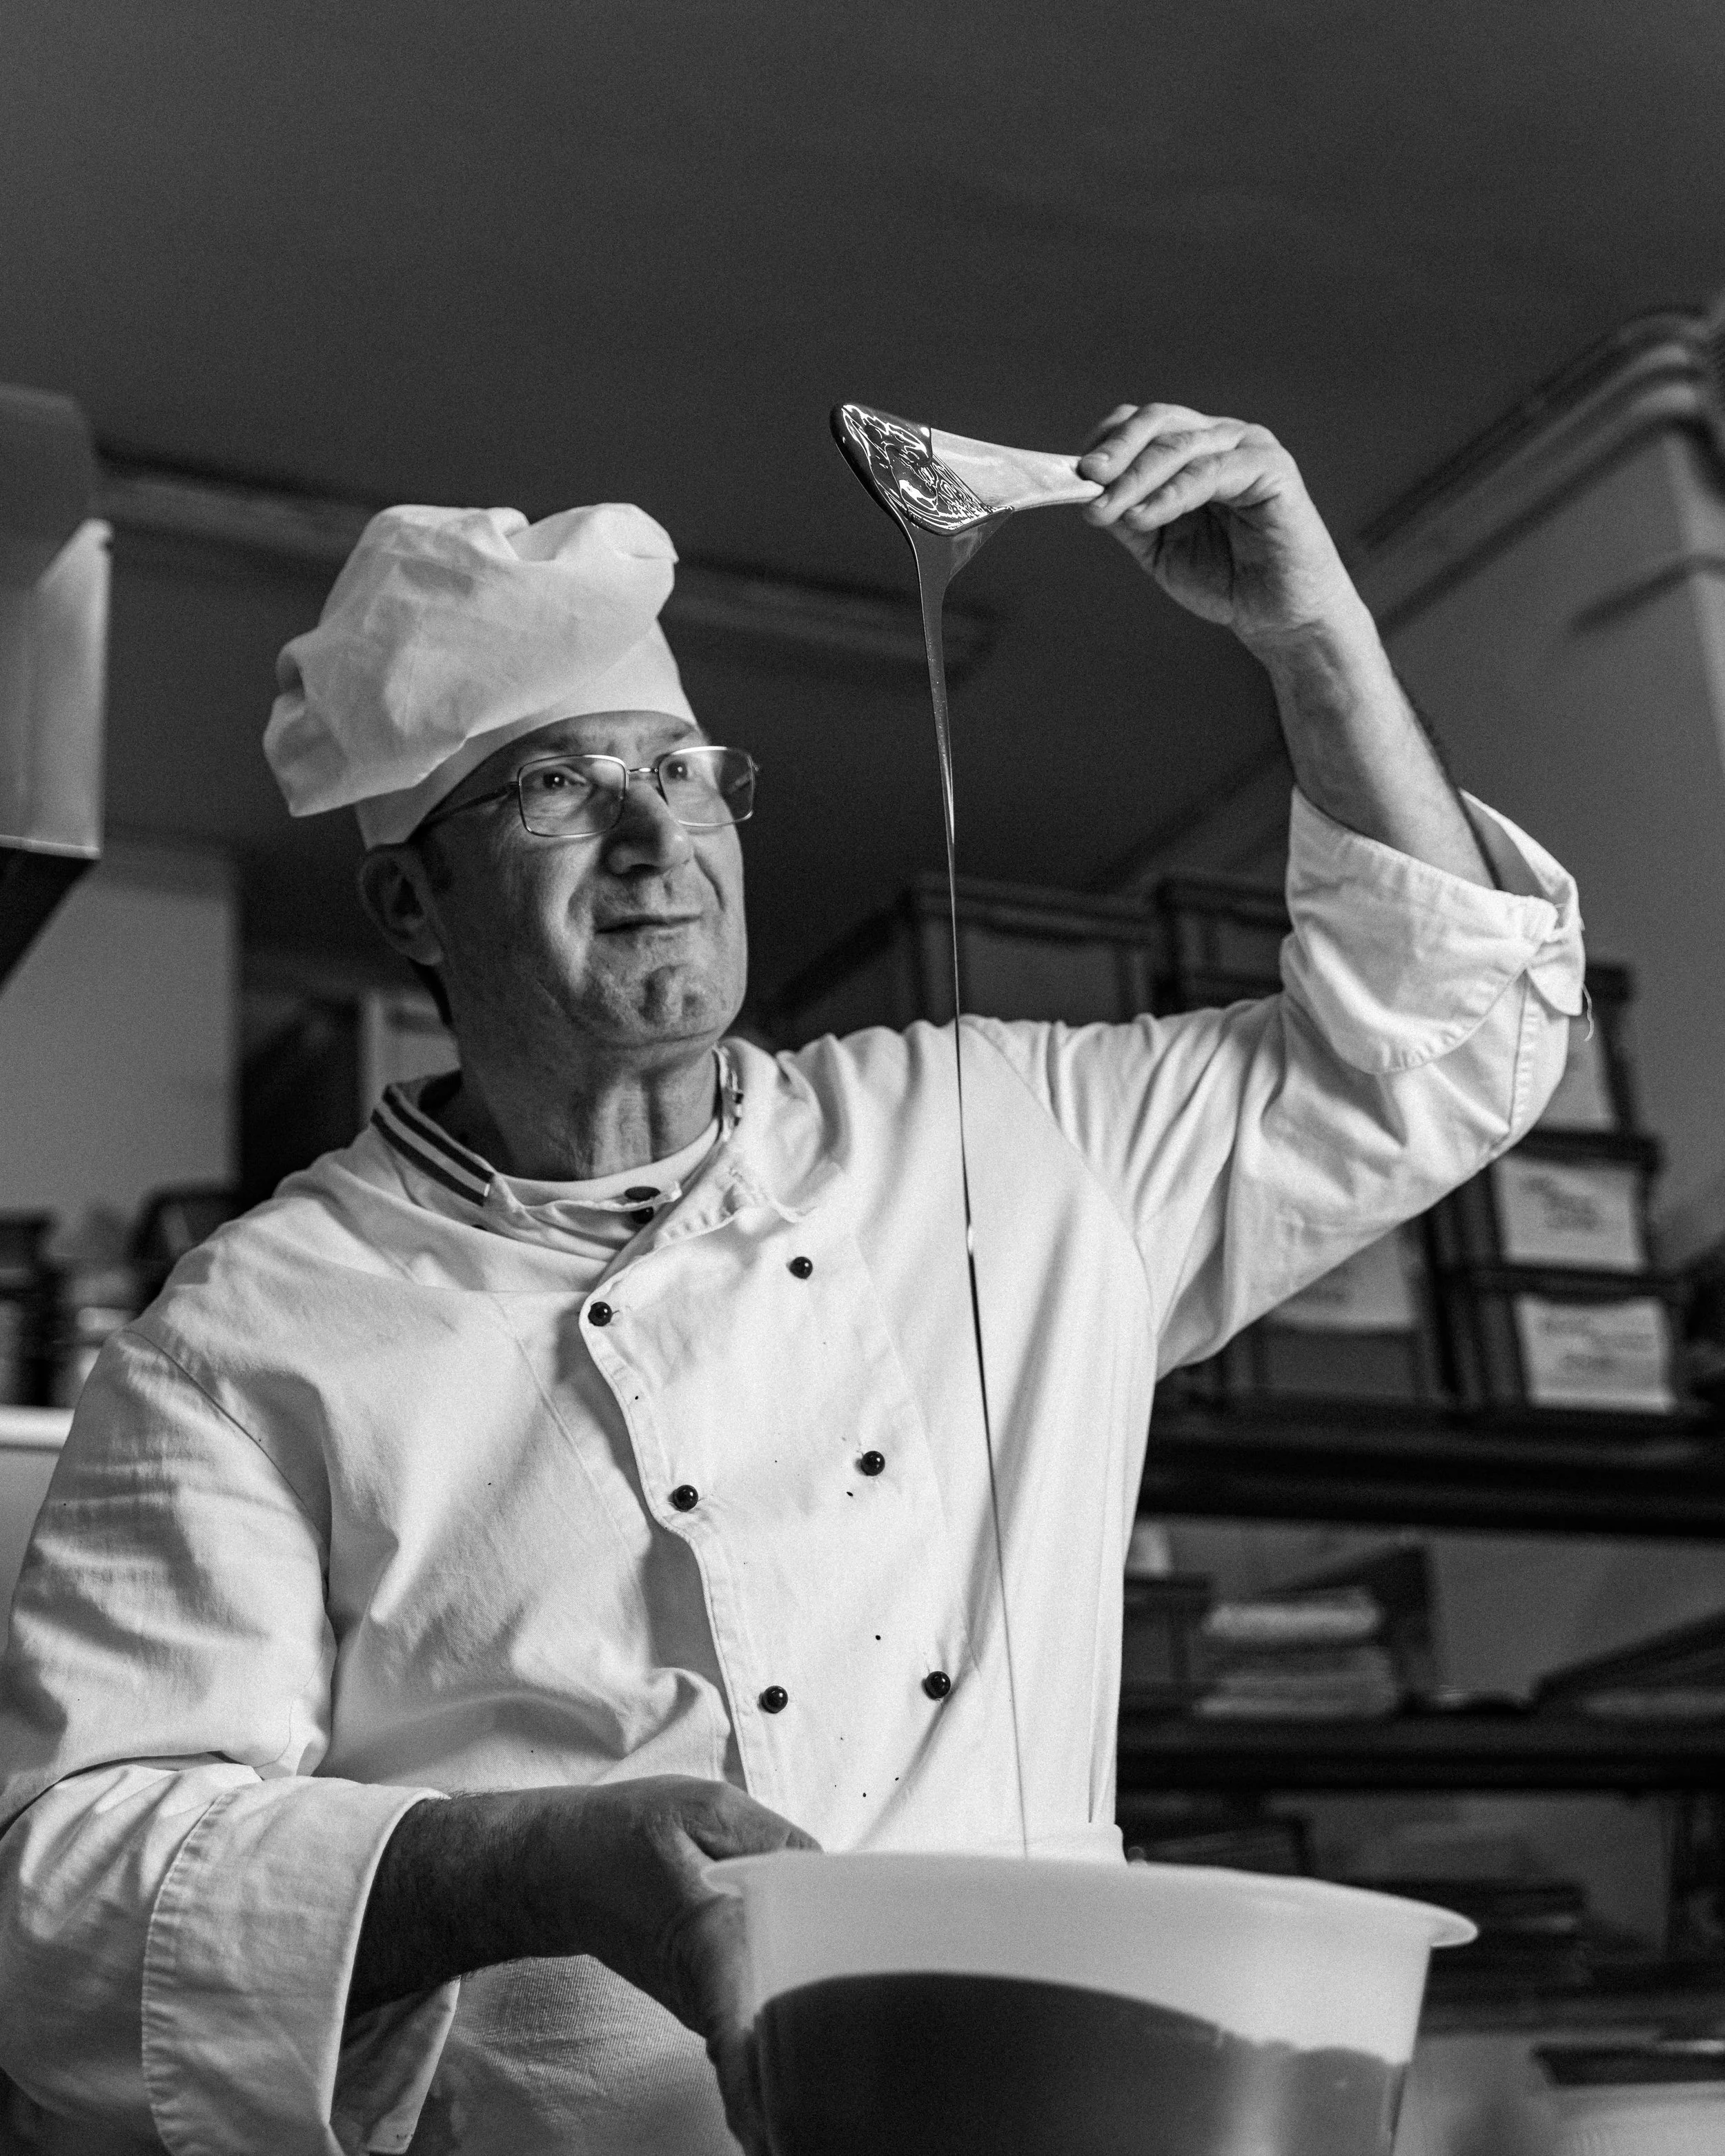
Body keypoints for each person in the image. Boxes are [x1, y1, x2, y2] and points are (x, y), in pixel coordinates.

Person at [0, 403, 1583, 2155]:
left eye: (683, 771)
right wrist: (509, 1866)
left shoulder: (1002, 1133)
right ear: (408, 906)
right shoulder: (246, 1335)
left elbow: (1443, 1037)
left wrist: (1309, 632)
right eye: (554, 787)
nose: (653, 837)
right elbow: (62, 1905)